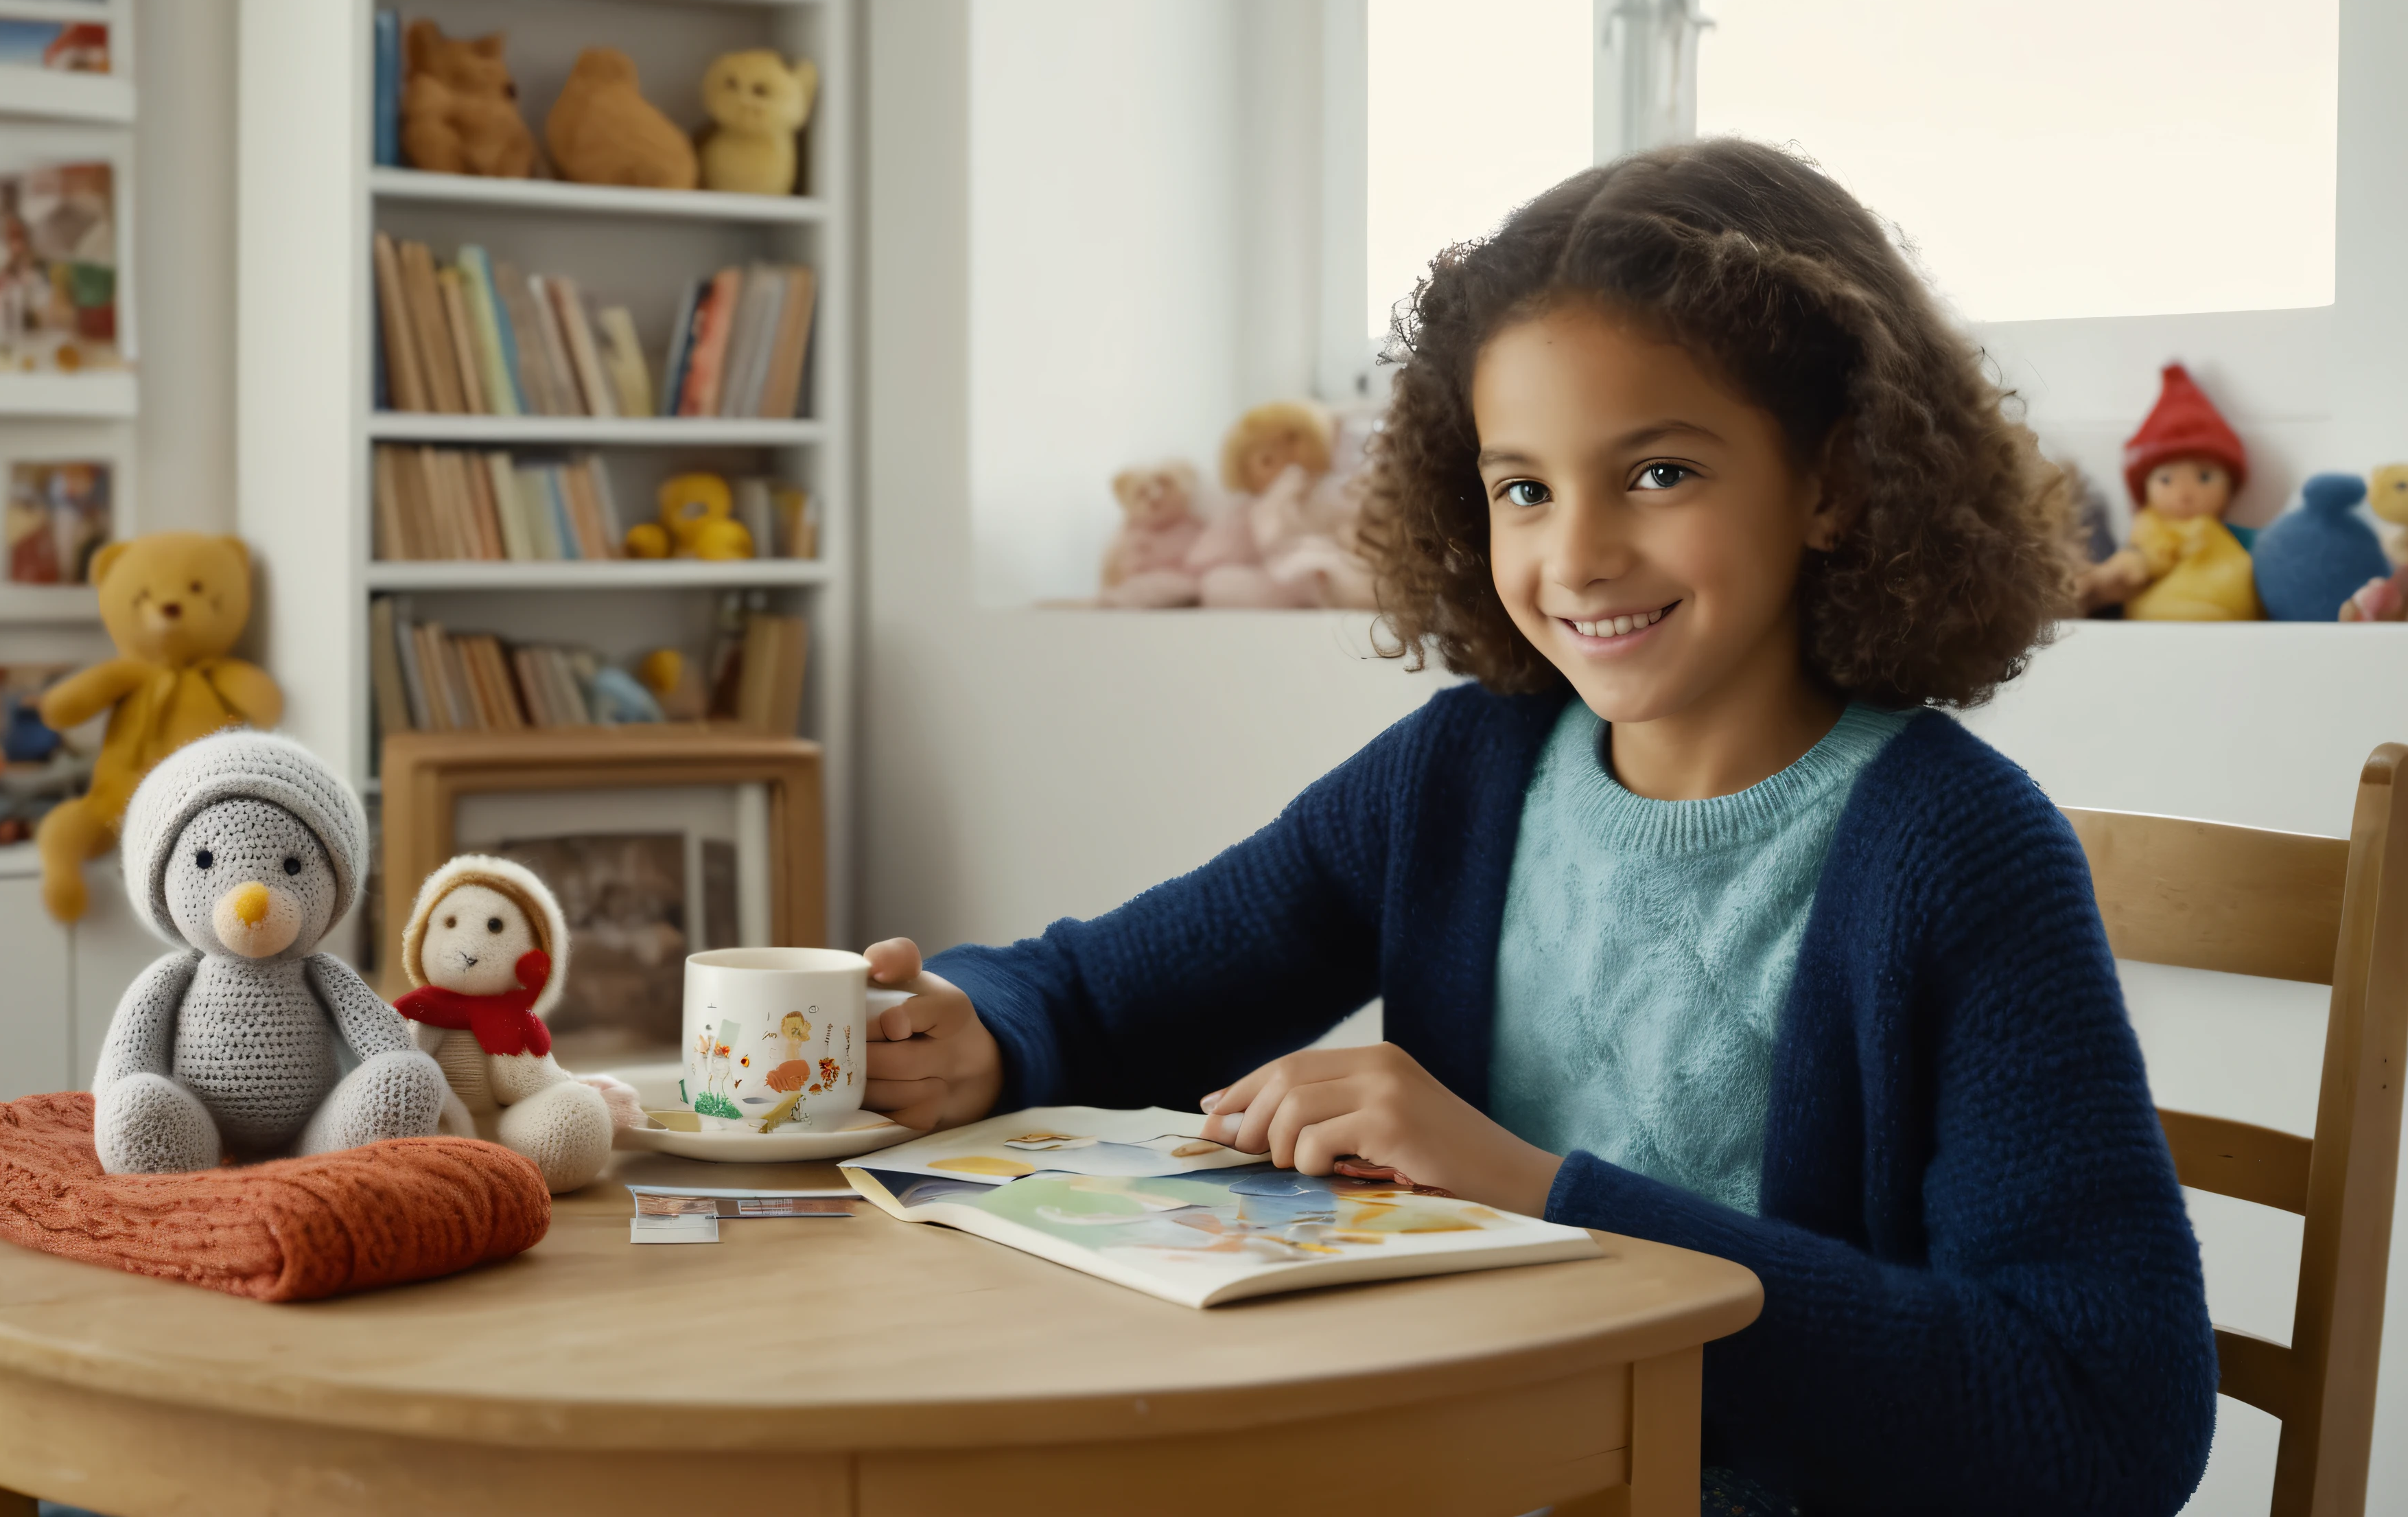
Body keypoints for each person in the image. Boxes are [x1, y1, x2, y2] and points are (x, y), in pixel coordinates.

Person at [856, 139, 2215, 1516]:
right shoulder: (1463, 773)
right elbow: (1106, 992)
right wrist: (977, 1027)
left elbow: (2103, 1422)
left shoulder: (1960, 852)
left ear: (1836, 480)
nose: (1576, 557)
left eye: (1661, 473)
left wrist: (1534, 1191)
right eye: (1524, 487)